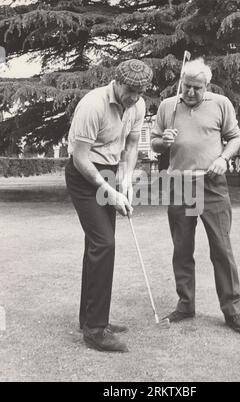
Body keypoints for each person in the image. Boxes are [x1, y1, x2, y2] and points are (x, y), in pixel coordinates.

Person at [151, 58, 240, 333]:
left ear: (207, 85)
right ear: (181, 83)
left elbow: (234, 137)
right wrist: (163, 142)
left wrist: (224, 158)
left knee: (221, 248)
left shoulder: (221, 103)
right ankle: (185, 305)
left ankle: (232, 311)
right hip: (180, 184)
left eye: (197, 88)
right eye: (187, 86)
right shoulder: (167, 106)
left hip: (212, 183)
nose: (191, 93)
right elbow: (154, 143)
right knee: (182, 248)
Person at [65, 59, 153, 352]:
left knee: (97, 245)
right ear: (117, 82)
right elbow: (80, 157)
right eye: (130, 91)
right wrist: (108, 190)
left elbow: (130, 146)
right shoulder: (93, 105)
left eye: (139, 92)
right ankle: (95, 330)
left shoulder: (137, 106)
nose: (133, 98)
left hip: (111, 171)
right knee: (104, 244)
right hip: (84, 174)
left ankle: (90, 318)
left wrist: (125, 181)